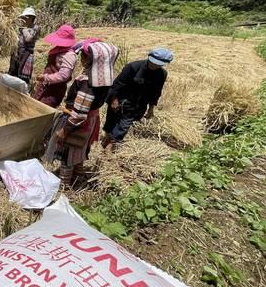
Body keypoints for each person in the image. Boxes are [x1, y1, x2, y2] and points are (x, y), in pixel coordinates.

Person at [45, 39, 118, 185]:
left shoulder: (88, 82)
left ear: (88, 59)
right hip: (91, 120)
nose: (81, 59)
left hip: (78, 123)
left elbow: (79, 113)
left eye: (83, 56)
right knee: (81, 150)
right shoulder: (104, 78)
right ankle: (78, 176)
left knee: (68, 154)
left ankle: (64, 185)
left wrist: (65, 130)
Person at [102, 48, 174, 151]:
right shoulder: (133, 67)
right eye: (152, 62)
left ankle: (111, 145)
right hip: (120, 99)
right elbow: (117, 84)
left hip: (137, 105)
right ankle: (108, 138)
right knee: (111, 122)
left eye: (158, 64)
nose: (154, 65)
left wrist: (151, 109)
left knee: (124, 125)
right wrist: (114, 100)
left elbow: (156, 93)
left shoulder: (162, 74)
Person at [33, 24, 77, 108]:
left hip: (54, 90)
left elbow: (64, 75)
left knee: (43, 111)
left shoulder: (69, 55)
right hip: (46, 86)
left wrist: (45, 77)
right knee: (35, 107)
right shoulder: (58, 49)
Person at [8, 7, 40, 86]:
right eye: (23, 17)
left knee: (22, 75)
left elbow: (28, 39)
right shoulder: (21, 27)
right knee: (13, 71)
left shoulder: (35, 28)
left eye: (25, 17)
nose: (23, 19)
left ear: (31, 18)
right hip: (17, 51)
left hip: (26, 53)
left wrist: (23, 29)